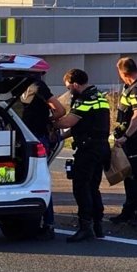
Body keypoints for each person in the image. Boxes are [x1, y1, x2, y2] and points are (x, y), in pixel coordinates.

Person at [52, 69, 110, 243]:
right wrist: (61, 136)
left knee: (81, 187)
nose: (69, 91)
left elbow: (69, 121)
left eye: (69, 87)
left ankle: (86, 227)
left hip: (88, 149)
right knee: (93, 187)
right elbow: (82, 124)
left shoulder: (83, 98)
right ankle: (98, 226)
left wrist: (50, 123)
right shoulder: (99, 96)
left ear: (75, 84)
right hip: (101, 147)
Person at [18, 75, 67, 239]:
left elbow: (60, 110)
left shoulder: (38, 87)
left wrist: (49, 122)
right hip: (25, 138)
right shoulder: (20, 87)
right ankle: (36, 221)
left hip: (37, 137)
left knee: (40, 181)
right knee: (29, 180)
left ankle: (48, 224)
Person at [112, 57, 137, 226]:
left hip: (135, 137)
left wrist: (126, 136)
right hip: (128, 137)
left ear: (123, 73)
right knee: (128, 175)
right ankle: (129, 211)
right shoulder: (131, 87)